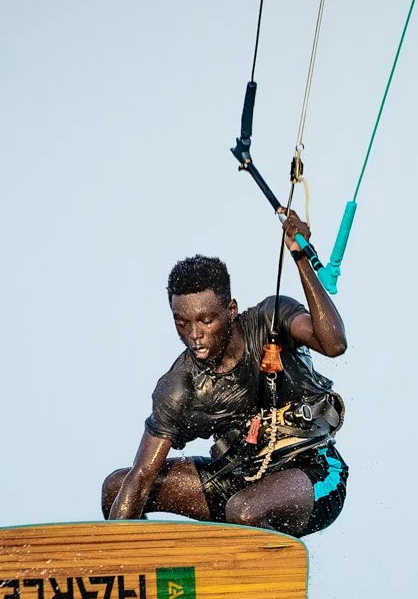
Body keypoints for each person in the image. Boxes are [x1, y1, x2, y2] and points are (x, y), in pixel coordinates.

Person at [102, 209, 349, 541]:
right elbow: (142, 476)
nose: (195, 334)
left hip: (313, 473)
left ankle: (266, 585)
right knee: (117, 487)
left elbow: (334, 343)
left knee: (244, 510)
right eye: (182, 322)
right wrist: (111, 558)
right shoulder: (179, 387)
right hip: (241, 479)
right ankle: (153, 575)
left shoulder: (269, 319)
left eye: (206, 320)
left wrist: (300, 256)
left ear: (230, 311)